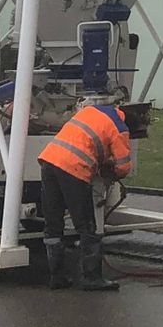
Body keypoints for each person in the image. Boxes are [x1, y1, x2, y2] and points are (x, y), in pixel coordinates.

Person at [37, 100, 134, 291]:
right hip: (73, 168)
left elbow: (86, 140)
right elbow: (123, 167)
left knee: (53, 224)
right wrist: (111, 172)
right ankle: (91, 277)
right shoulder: (120, 128)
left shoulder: (91, 110)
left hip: (49, 161)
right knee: (86, 226)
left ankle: (56, 277)